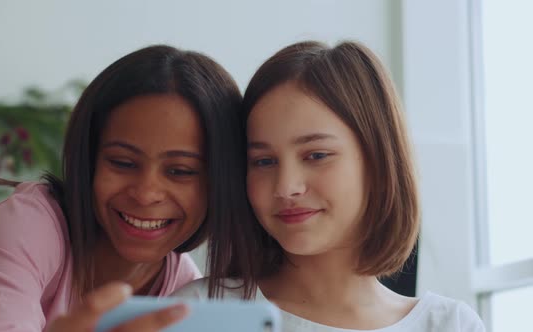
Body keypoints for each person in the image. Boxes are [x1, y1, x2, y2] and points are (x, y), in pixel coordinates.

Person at [174, 41, 486, 332]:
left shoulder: (450, 324)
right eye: (264, 161)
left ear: (378, 161)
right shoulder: (200, 312)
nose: (286, 187)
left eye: (317, 155)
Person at [0, 44, 250, 331]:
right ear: (87, 160)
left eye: (180, 171)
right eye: (123, 162)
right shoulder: (21, 230)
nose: (145, 193)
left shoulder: (184, 289)